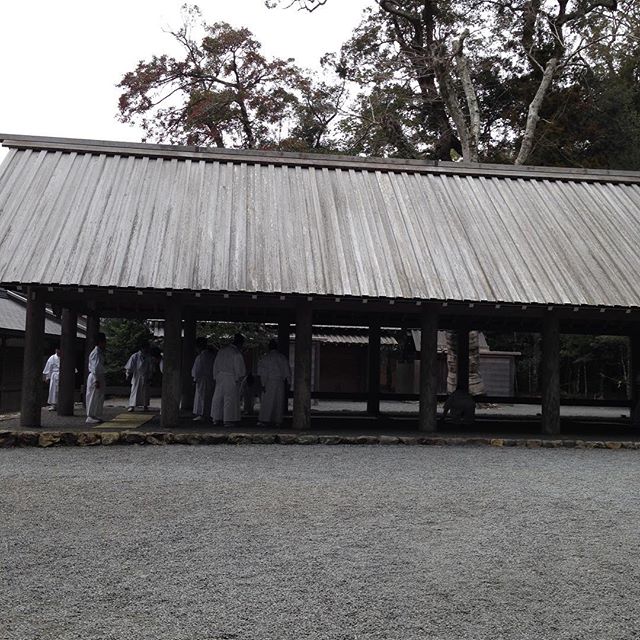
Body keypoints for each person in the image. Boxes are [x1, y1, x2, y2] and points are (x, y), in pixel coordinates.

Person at [211, 333, 246, 426]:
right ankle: (228, 420)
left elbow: (216, 365)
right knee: (229, 398)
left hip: (220, 376)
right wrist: (239, 378)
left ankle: (216, 418)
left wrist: (215, 376)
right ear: (240, 343)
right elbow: (239, 368)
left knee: (218, 398)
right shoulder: (236, 353)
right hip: (231, 377)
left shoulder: (221, 351)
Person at [257, 339, 291, 427]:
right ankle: (277, 420)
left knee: (267, 401)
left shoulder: (265, 358)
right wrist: (288, 382)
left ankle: (265, 419)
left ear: (269, 347)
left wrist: (263, 384)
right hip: (280, 382)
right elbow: (287, 371)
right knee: (278, 401)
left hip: (269, 381)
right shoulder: (282, 357)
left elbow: (263, 373)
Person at [124, 341, 154, 412]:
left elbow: (151, 368)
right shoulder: (135, 356)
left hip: (145, 376)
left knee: (145, 392)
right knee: (134, 391)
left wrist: (150, 377)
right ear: (142, 348)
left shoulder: (148, 357)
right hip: (137, 376)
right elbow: (129, 367)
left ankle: (145, 406)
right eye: (145, 348)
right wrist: (128, 374)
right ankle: (132, 406)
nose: (146, 350)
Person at [192, 337, 216, 422]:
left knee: (201, 397)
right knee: (209, 397)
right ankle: (209, 413)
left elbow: (197, 370)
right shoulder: (212, 355)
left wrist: (195, 379)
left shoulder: (200, 357)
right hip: (211, 378)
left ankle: (202, 414)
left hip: (202, 379)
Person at [86, 332, 107, 424]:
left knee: (98, 396)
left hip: (99, 375)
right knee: (93, 396)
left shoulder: (99, 352)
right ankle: (90, 416)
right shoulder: (95, 353)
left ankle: (94, 415)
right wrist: (96, 380)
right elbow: (94, 367)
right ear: (100, 342)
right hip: (95, 376)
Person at [42, 347, 61, 411]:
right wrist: (47, 377)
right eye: (58, 349)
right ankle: (53, 405)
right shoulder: (52, 358)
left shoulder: (65, 357)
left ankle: (61, 404)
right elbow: (48, 368)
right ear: (56, 350)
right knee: (53, 391)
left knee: (61, 391)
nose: (58, 351)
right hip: (54, 375)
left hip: (62, 375)